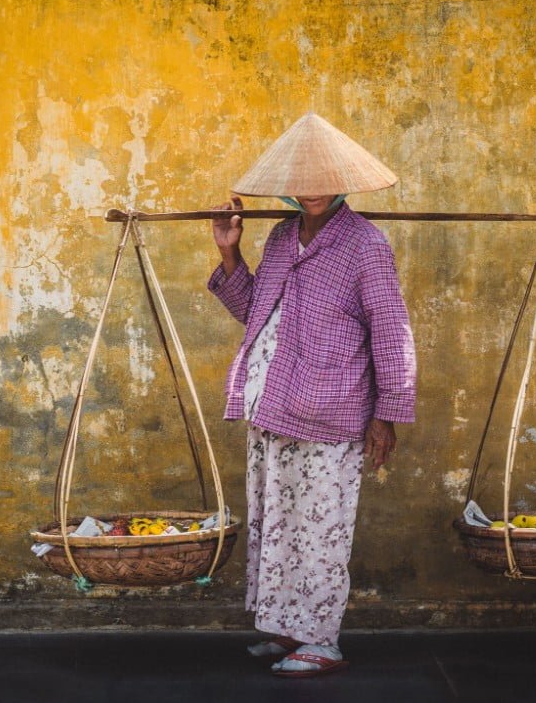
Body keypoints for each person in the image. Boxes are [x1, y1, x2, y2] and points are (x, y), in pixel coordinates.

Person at [207, 113, 416, 678]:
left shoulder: (366, 245)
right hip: (271, 403)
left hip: (330, 409)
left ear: (344, 180)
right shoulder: (279, 237)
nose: (312, 189)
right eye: (301, 179)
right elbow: (257, 314)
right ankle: (285, 627)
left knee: (321, 528)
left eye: (324, 178)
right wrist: (230, 254)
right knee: (276, 521)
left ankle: (322, 640)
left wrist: (388, 413)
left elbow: (391, 329)